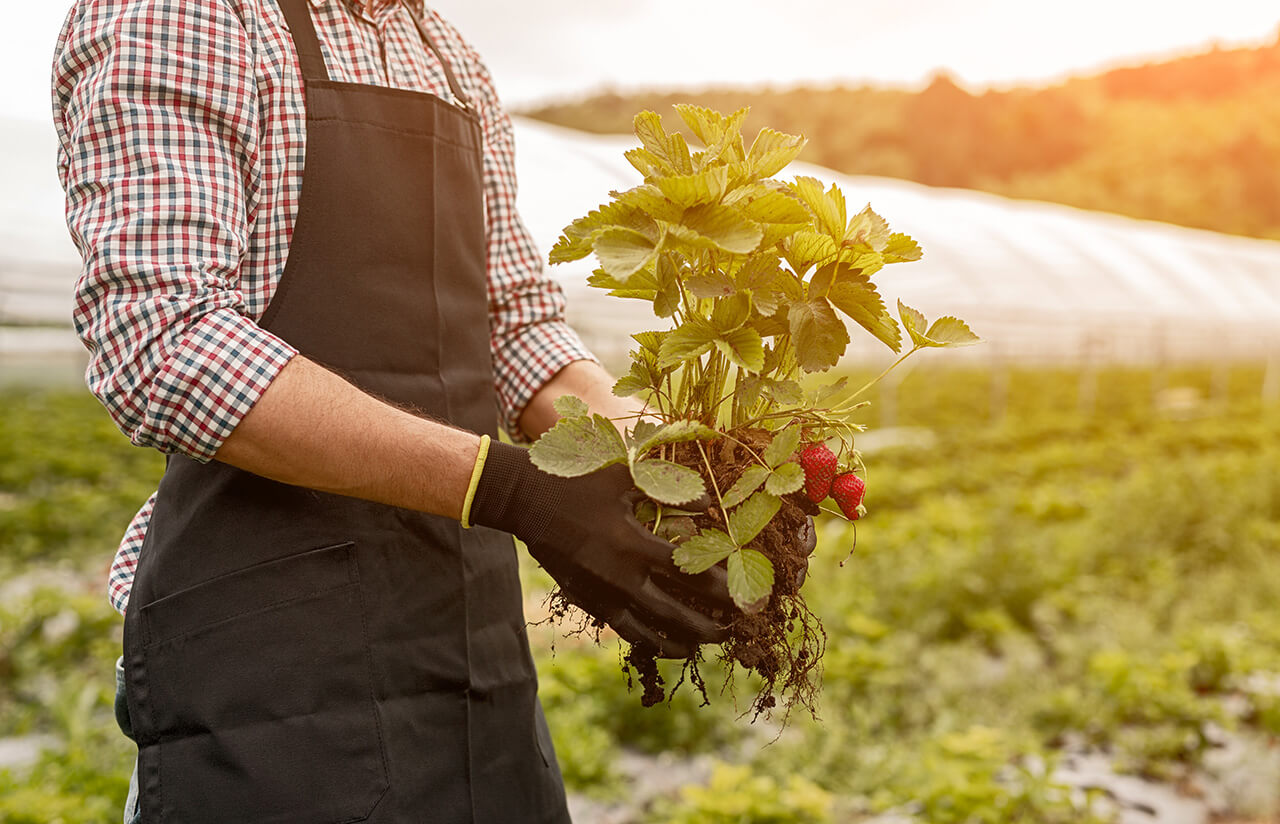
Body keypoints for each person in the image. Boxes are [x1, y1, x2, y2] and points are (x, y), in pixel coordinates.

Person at [51, 1, 733, 821]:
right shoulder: (186, 14)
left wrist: (656, 463)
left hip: (469, 653)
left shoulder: (444, 53)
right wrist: (509, 488)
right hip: (273, 666)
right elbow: (164, 342)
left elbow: (514, 325)